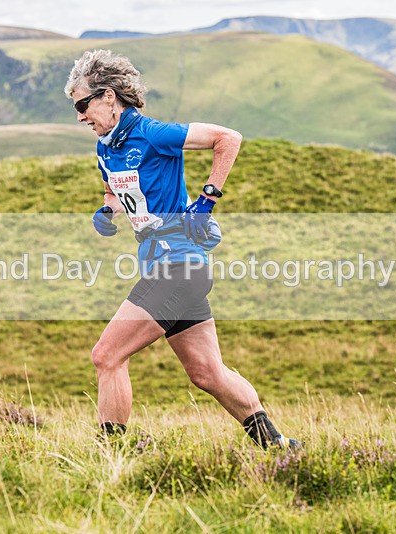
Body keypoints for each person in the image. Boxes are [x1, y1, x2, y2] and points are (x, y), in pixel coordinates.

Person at [65, 50, 300, 450]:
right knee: (207, 373)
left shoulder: (154, 133)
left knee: (107, 355)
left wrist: (208, 198)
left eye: (83, 105)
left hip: (179, 266)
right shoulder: (106, 146)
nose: (80, 117)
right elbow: (114, 187)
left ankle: (111, 457)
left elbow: (229, 138)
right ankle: (279, 446)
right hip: (161, 265)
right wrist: (107, 210)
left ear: (108, 96)